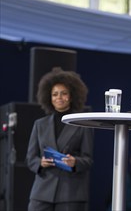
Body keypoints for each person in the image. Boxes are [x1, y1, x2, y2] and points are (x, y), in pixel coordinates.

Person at [26, 67, 94, 211]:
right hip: (41, 192)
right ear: (49, 98)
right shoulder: (40, 124)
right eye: (55, 94)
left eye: (64, 93)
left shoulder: (82, 123)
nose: (59, 97)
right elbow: (30, 158)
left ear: (72, 96)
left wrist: (74, 162)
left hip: (71, 193)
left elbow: (88, 160)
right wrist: (41, 163)